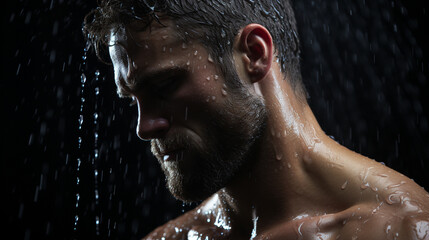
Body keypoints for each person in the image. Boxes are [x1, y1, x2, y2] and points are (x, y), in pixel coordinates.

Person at [83, 0, 429, 239]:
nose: (145, 127)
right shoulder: (172, 238)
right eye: (133, 100)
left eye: (164, 85)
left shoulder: (403, 228)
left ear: (253, 54)